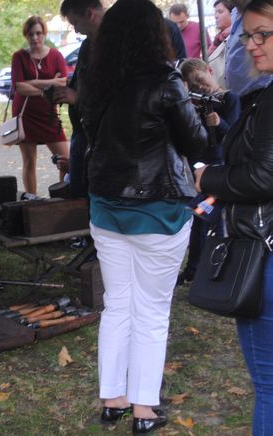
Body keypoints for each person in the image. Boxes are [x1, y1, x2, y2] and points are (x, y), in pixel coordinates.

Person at [79, 0, 207, 432]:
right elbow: (196, 143)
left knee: (118, 306)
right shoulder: (166, 80)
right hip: (159, 211)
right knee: (151, 310)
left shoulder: (94, 80)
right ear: (155, 34)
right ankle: (143, 409)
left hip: (107, 208)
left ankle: (113, 399)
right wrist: (209, 117)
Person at [195, 1, 273, 433]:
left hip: (264, 254)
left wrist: (208, 179)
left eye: (263, 34)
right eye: (248, 36)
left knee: (269, 385)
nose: (252, 45)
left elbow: (263, 177)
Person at [177, 58, 240, 284]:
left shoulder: (229, 99)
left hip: (220, 168)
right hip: (200, 169)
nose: (200, 87)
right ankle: (197, 270)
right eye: (193, 86)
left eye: (201, 80)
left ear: (210, 71)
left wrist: (219, 122)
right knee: (202, 219)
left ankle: (210, 270)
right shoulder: (194, 102)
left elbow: (235, 134)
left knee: (210, 220)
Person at [10, 16, 69, 196]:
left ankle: (63, 196)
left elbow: (63, 82)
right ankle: (31, 199)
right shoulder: (19, 57)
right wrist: (47, 88)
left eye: (38, 33)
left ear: (44, 33)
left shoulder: (55, 55)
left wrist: (34, 82)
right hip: (25, 113)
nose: (35, 38)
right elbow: (20, 87)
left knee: (66, 159)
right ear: (26, 35)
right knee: (29, 161)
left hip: (48, 115)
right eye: (30, 34)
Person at [54, 0, 106, 199]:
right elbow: (81, 82)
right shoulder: (87, 45)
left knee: (89, 198)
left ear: (90, 14)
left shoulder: (116, 46)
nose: (75, 30)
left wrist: (78, 97)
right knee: (78, 194)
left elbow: (118, 97)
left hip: (102, 139)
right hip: (82, 132)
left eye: (76, 23)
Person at [225, 0, 273, 106]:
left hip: (258, 91)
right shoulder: (235, 13)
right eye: (247, 36)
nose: (249, 46)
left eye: (261, 34)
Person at [208, 0, 235, 88]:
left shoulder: (235, 38)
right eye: (215, 12)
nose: (216, 16)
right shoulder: (218, 38)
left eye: (220, 12)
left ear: (233, 12)